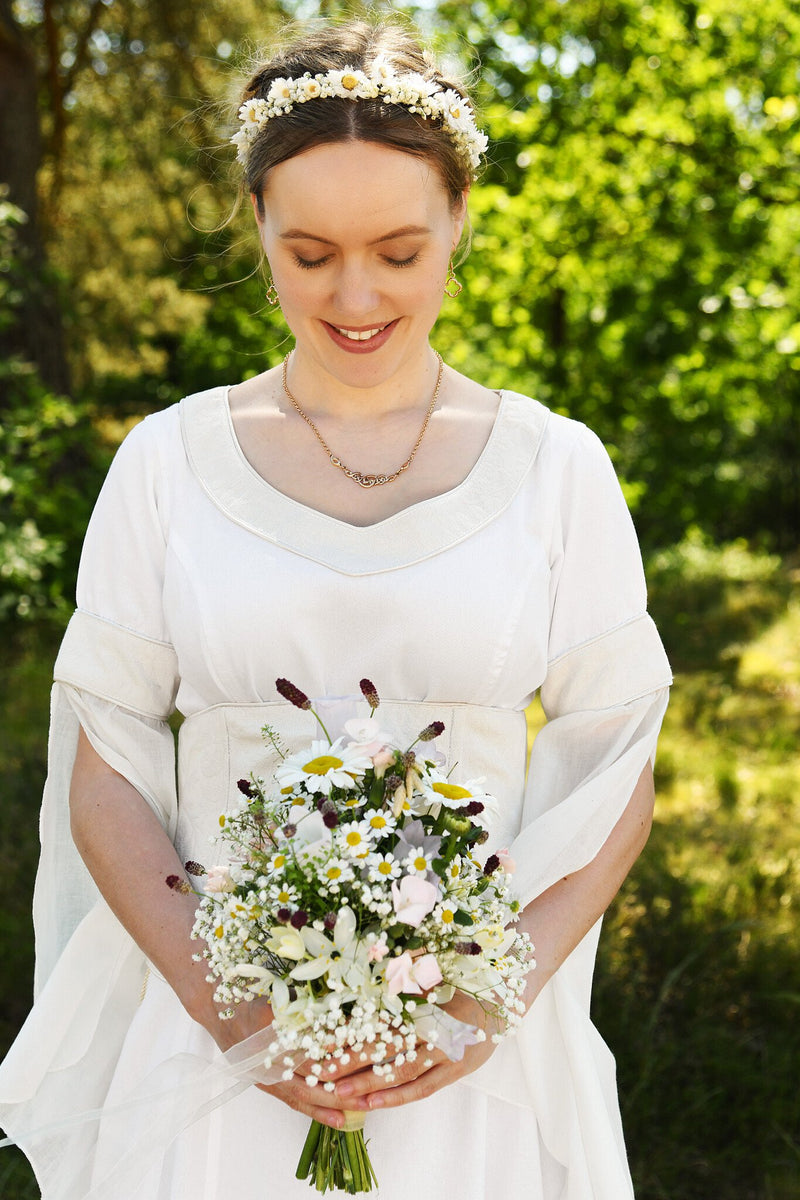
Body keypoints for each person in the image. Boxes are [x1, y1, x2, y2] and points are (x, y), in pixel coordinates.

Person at [0, 17, 671, 1199]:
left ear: (461, 221)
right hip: (215, 1056)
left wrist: (471, 1008)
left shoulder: (556, 469)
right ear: (253, 223)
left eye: (398, 251)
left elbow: (615, 762)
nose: (354, 295)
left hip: (476, 1071)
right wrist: (240, 1017)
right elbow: (101, 763)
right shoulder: (164, 464)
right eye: (308, 253)